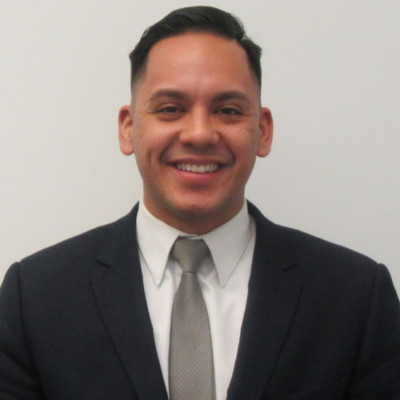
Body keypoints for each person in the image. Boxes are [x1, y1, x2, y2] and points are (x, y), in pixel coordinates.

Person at [0, 6, 399, 400]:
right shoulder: (34, 297)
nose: (199, 134)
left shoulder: (357, 298)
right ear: (128, 128)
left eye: (227, 110)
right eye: (170, 109)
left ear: (262, 131)